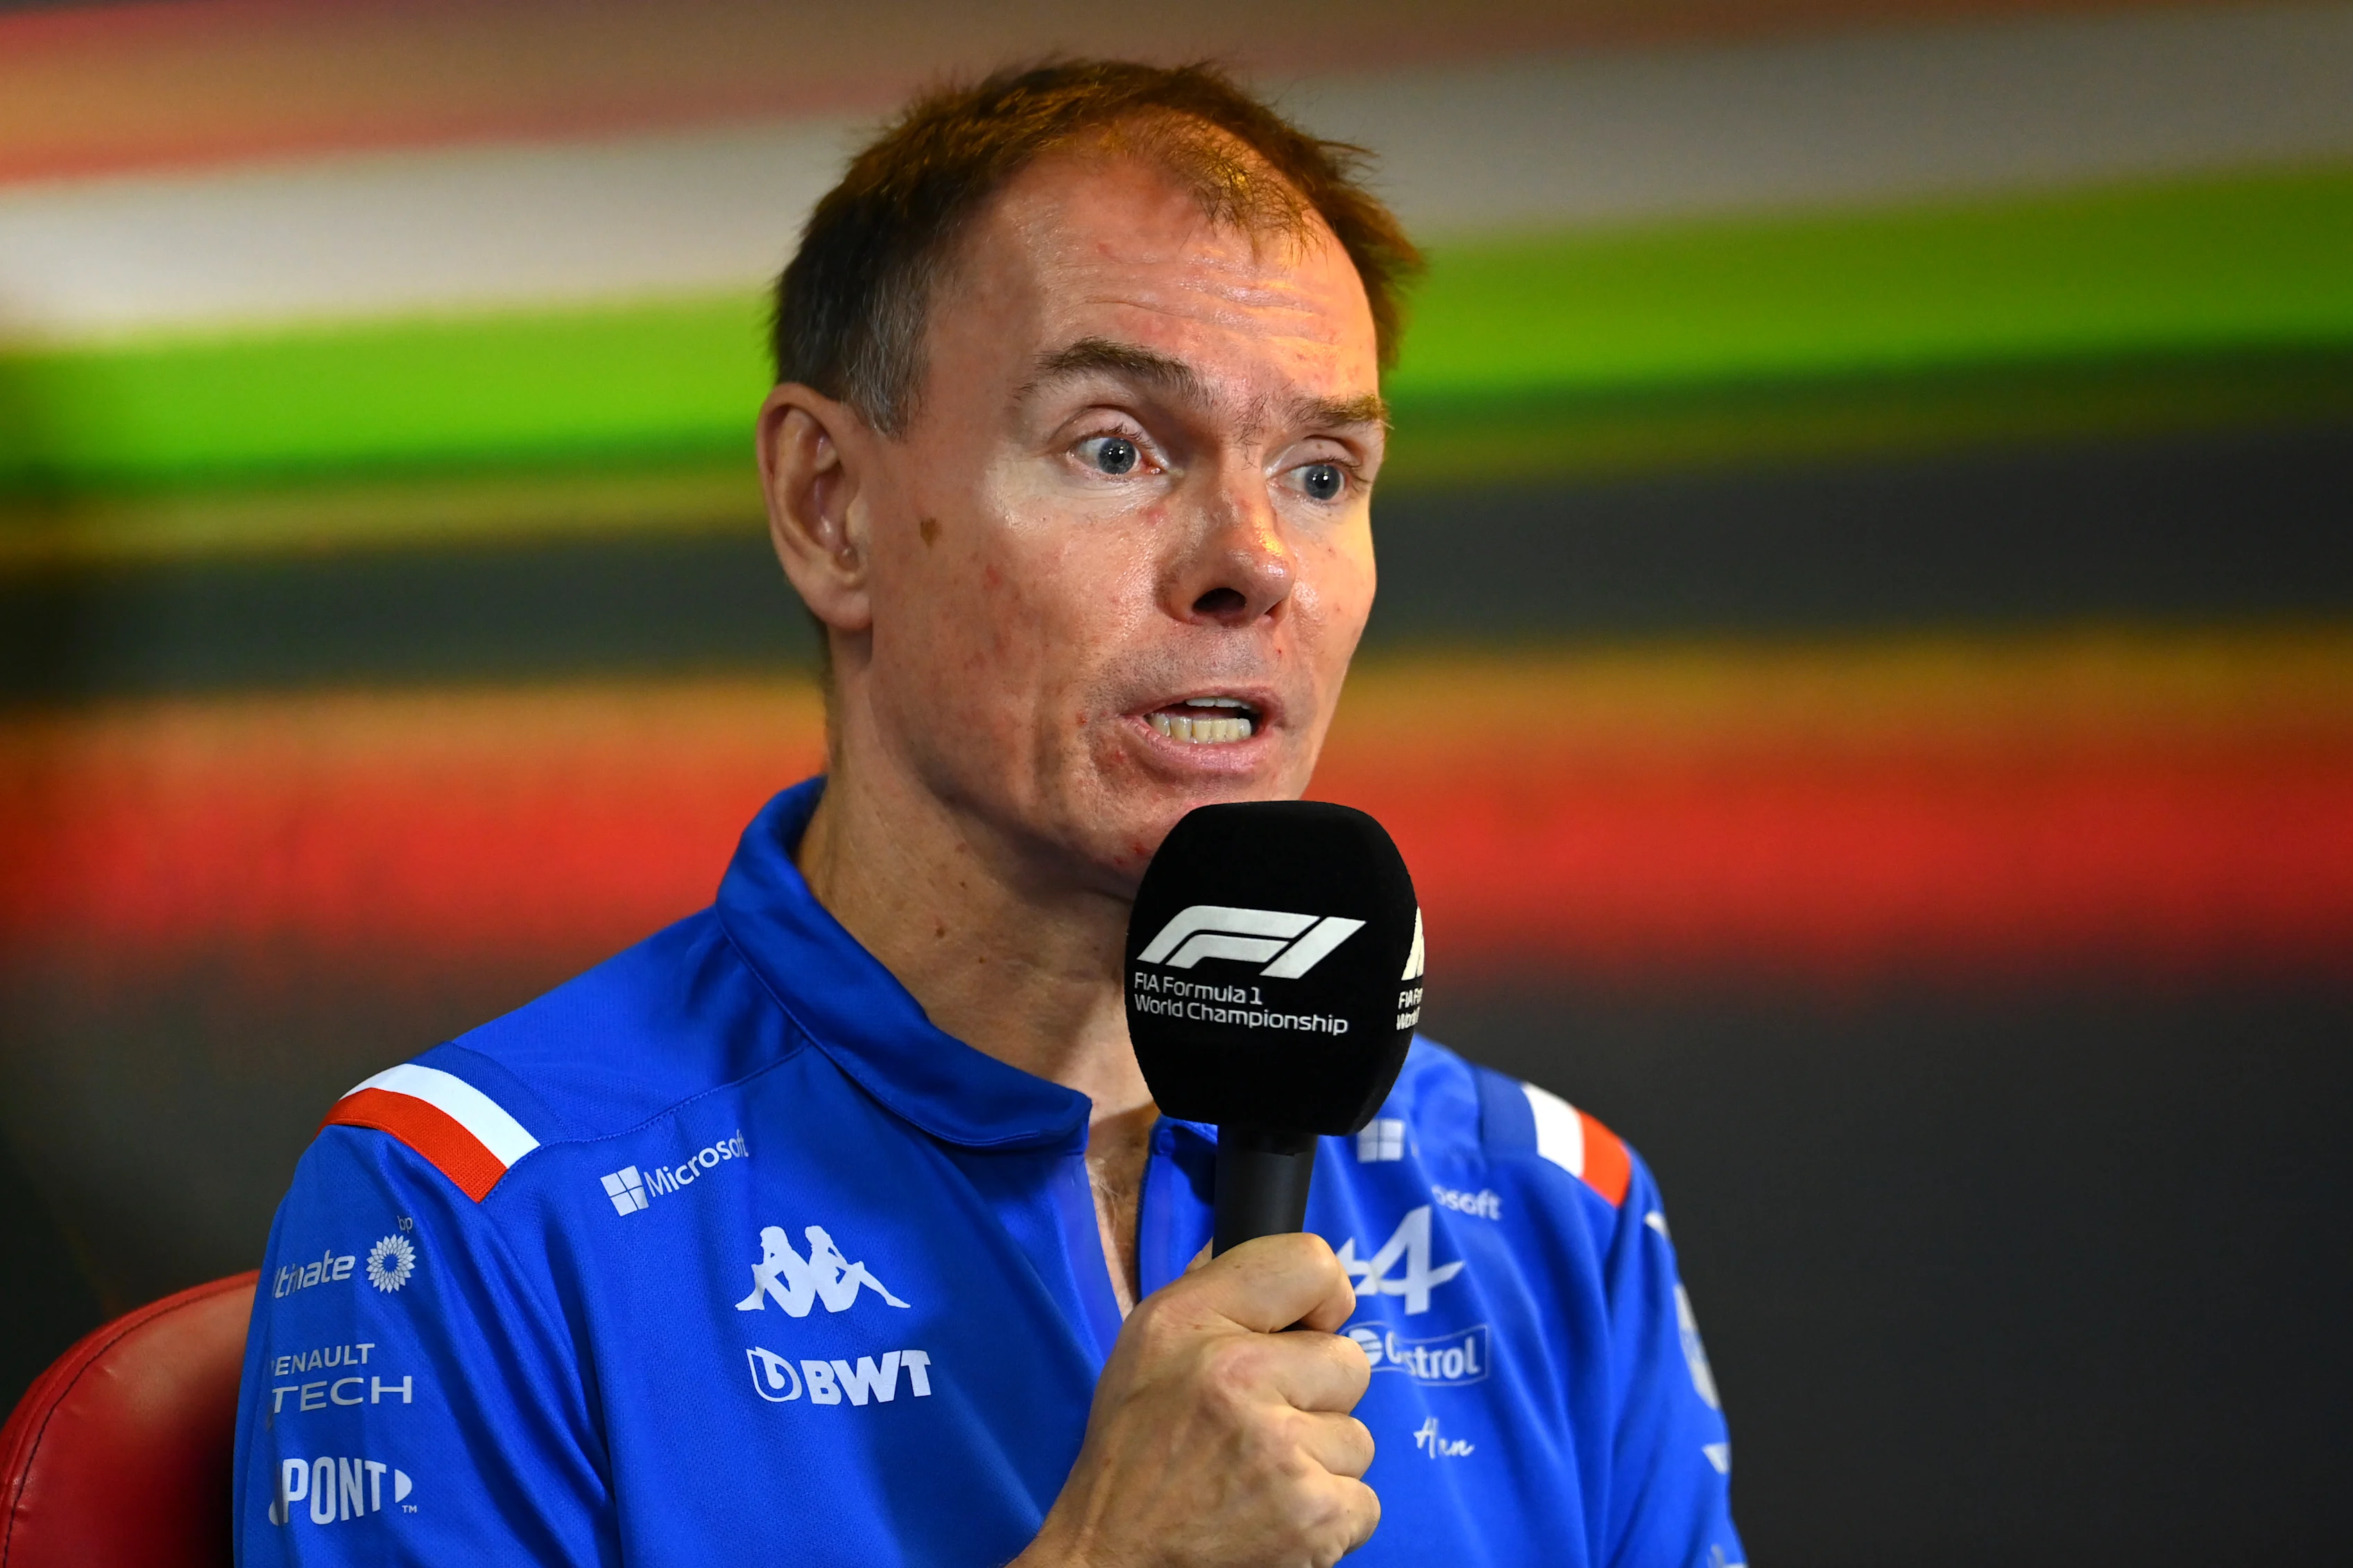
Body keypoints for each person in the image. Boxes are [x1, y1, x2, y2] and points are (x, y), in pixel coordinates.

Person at [233, 60, 1742, 1568]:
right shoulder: (469, 1215)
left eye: (1322, 470)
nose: (1254, 560)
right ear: (832, 507)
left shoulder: (1553, 1211)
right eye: (1116, 448)